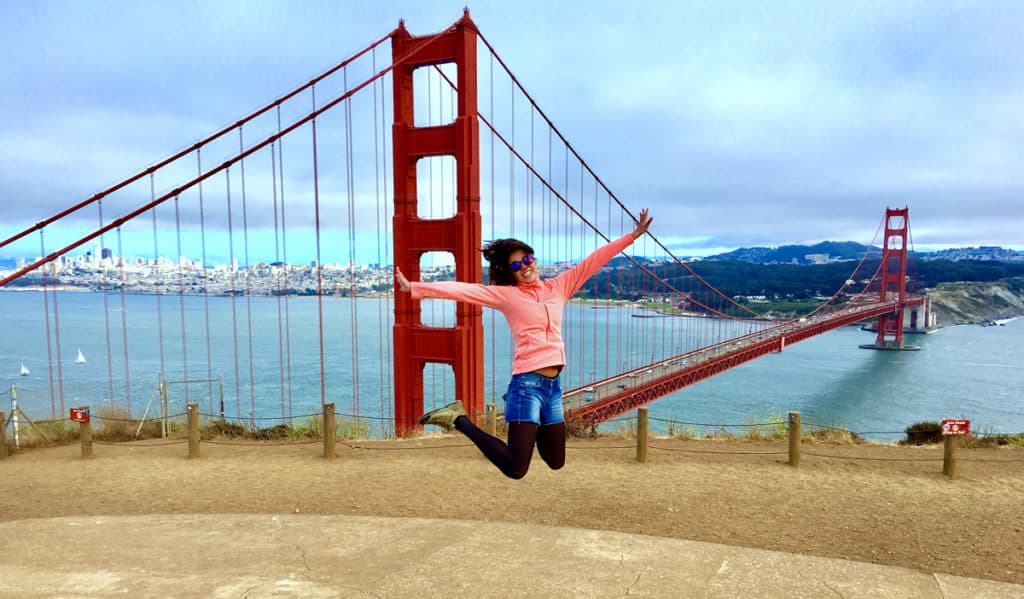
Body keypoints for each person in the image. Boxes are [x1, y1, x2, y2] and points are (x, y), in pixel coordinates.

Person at [395, 208, 653, 479]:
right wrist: (416, 288)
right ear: (511, 273)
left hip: (553, 387)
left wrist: (633, 236)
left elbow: (593, 261)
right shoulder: (508, 296)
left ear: (534, 259)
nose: (525, 266)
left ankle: (519, 415)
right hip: (527, 385)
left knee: (556, 461)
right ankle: (457, 418)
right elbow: (465, 290)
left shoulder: (559, 286)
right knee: (516, 468)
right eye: (517, 265)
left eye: (527, 259)